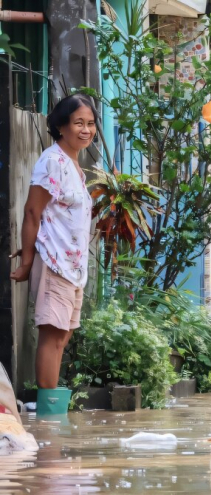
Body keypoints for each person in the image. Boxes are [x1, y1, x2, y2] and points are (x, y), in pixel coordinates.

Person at [9, 94, 98, 409]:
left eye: (90, 123)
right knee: (52, 334)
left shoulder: (74, 164)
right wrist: (28, 259)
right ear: (61, 126)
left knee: (62, 336)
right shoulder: (52, 160)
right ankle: (49, 418)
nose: (86, 130)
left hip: (73, 268)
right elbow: (33, 212)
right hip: (54, 263)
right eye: (78, 123)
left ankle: (52, 414)